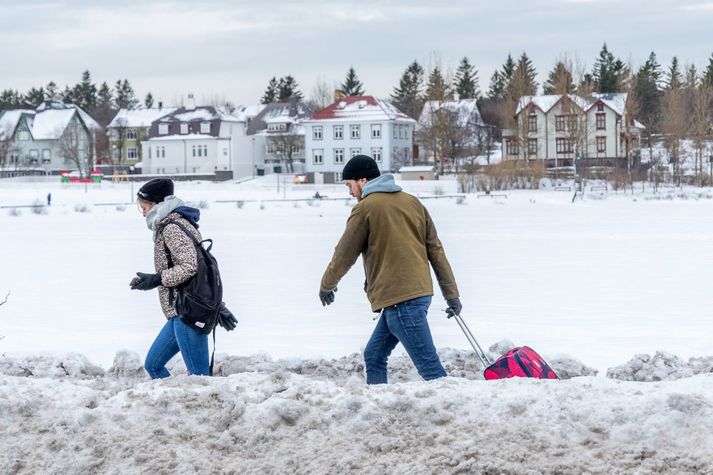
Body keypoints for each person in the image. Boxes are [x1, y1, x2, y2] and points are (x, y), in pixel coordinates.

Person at [319, 155, 462, 384]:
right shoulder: (413, 202)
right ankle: (378, 405)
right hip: (416, 295)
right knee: (374, 355)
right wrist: (452, 295)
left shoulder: (365, 208)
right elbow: (436, 251)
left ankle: (456, 412)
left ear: (363, 180)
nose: (349, 192)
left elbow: (344, 254)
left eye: (349, 185)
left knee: (431, 370)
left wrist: (326, 285)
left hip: (400, 300)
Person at [130, 178, 210, 378]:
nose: (143, 212)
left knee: (201, 380)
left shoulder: (172, 227)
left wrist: (157, 279)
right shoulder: (173, 223)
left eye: (145, 206)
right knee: (153, 365)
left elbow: (191, 266)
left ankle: (204, 409)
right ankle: (171, 405)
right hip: (179, 311)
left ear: (158, 204)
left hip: (188, 312)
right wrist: (149, 281)